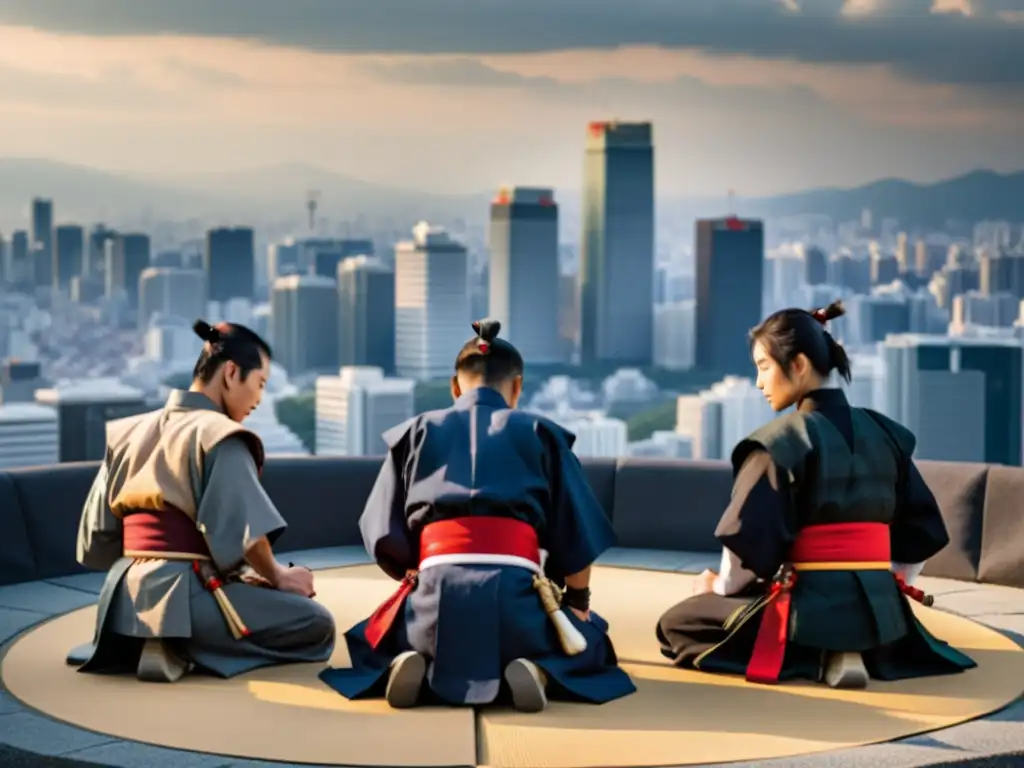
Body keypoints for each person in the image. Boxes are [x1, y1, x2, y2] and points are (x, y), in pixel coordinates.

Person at [319, 319, 636, 712]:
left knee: (375, 639)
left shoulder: (416, 431)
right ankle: (536, 667)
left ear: (454, 387)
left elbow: (384, 535)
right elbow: (577, 533)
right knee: (591, 637)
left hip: (434, 600)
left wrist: (419, 575)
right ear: (517, 387)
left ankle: (412, 657)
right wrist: (577, 602)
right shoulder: (540, 431)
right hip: (520, 601)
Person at [656, 301, 976, 688]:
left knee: (677, 623)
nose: (759, 383)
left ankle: (815, 656)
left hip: (804, 611)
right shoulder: (886, 433)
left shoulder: (779, 443)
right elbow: (921, 535)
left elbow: (743, 552)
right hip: (885, 617)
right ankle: (853, 647)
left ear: (799, 365)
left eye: (763, 367)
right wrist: (875, 582)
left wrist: (716, 588)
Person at [68, 320, 336, 682]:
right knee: (316, 624)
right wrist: (280, 577)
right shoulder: (221, 435)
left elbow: (95, 539)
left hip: (119, 598)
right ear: (230, 373)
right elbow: (246, 531)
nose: (258, 400)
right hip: (187, 597)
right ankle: (180, 646)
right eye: (259, 385)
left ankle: (137, 640)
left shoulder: (127, 431)